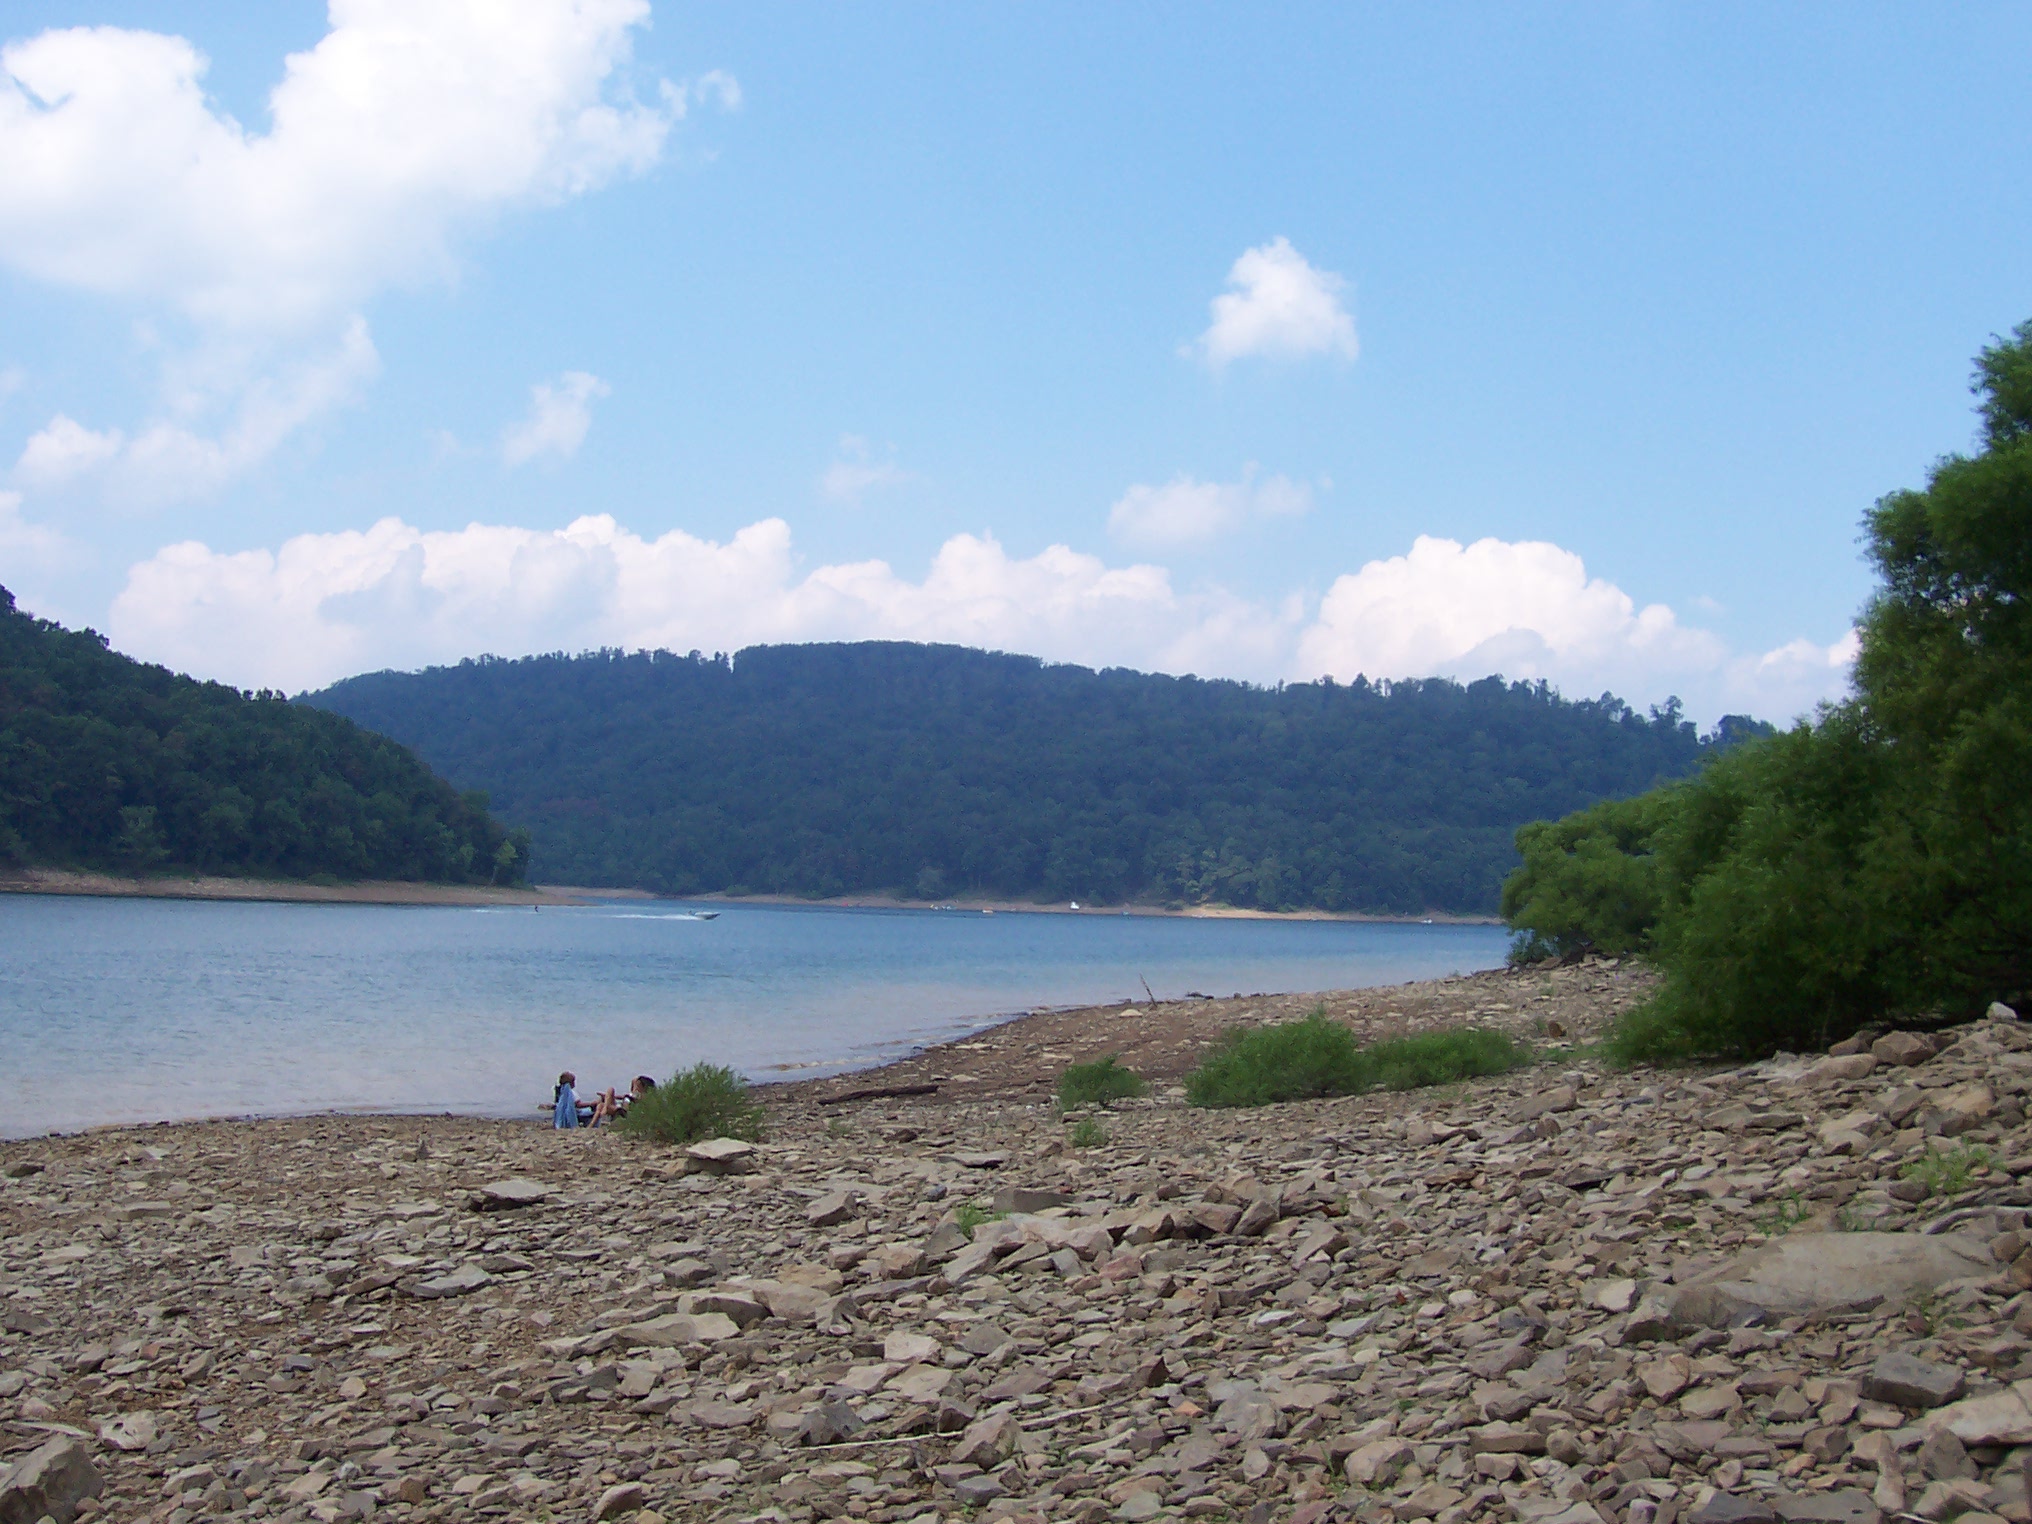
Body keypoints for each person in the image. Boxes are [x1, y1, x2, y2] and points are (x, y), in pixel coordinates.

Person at [590, 1074, 656, 1126]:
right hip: (622, 1110)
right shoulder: (635, 1094)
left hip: (625, 1112)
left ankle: (604, 1113)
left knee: (609, 1092)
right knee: (601, 1104)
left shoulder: (642, 1095)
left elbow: (635, 1103)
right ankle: (592, 1125)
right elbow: (623, 1097)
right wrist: (607, 1096)